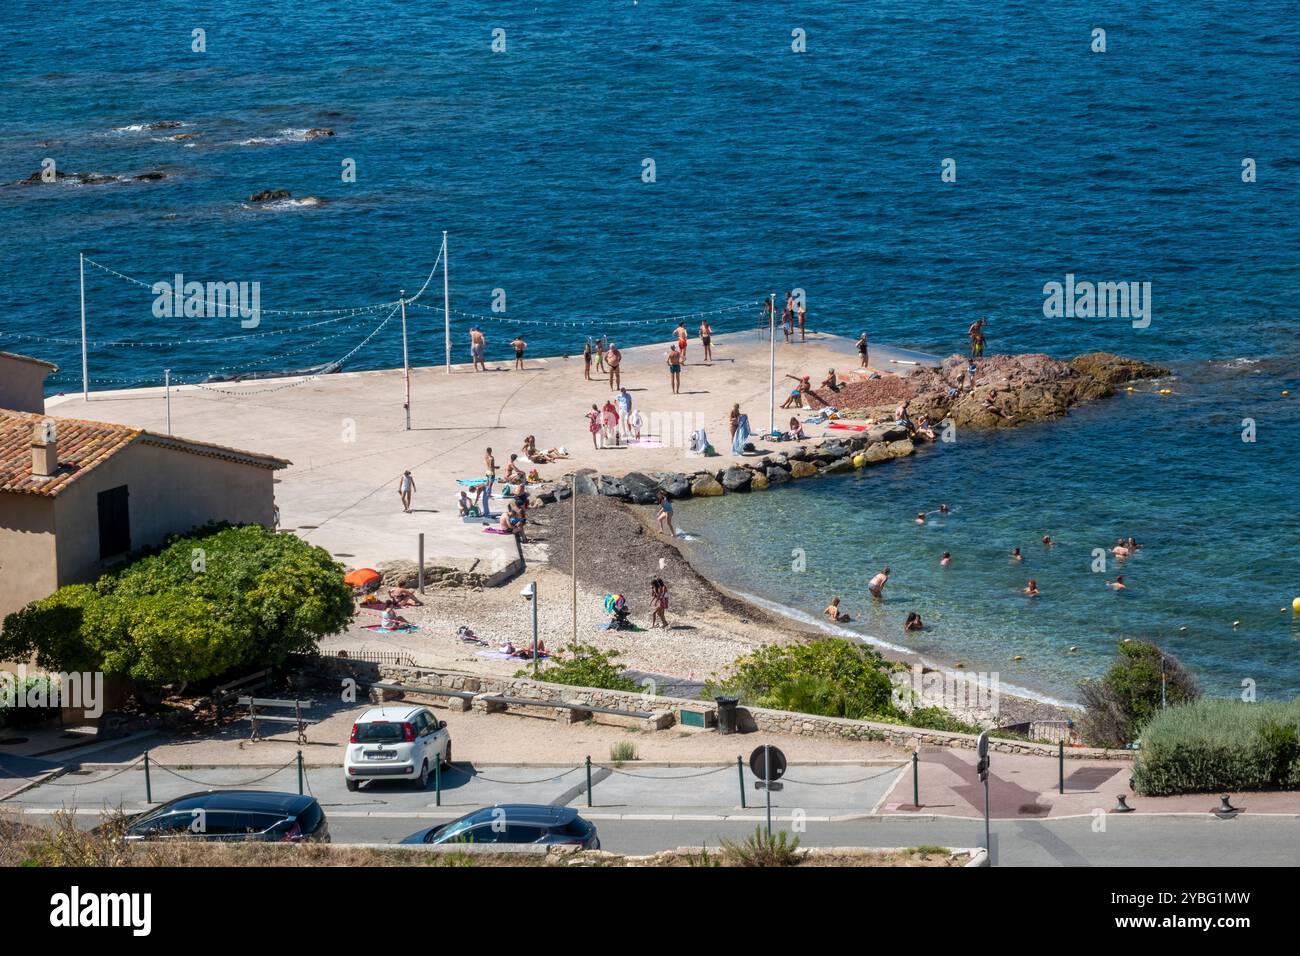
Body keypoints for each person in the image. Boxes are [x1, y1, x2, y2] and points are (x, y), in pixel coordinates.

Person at [482, 448, 496, 518]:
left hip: (487, 471)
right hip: (491, 472)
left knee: (487, 483)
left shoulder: (485, 456)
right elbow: (491, 466)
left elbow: (488, 466)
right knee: (490, 484)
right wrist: (496, 467)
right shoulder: (491, 458)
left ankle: (487, 494)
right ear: (491, 451)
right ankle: (488, 494)